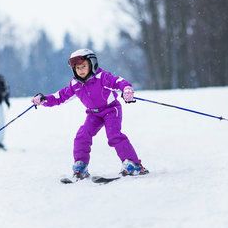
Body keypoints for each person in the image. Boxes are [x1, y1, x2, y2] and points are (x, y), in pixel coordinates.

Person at [32, 48, 148, 179]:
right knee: (82, 135)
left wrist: (126, 89)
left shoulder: (102, 77)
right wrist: (44, 99)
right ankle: (80, 166)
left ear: (92, 64)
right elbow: (60, 96)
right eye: (77, 68)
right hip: (94, 114)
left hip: (111, 110)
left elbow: (118, 82)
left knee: (114, 135)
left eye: (83, 66)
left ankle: (133, 164)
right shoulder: (75, 84)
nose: (80, 70)